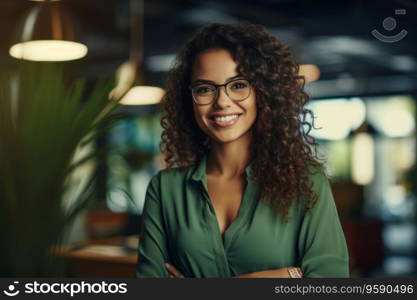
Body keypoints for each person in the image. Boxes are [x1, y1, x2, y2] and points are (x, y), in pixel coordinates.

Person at [136, 22, 349, 278]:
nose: (222, 102)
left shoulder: (305, 182)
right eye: (205, 89)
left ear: (263, 92)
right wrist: (281, 277)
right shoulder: (165, 190)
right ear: (188, 99)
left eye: (238, 85)